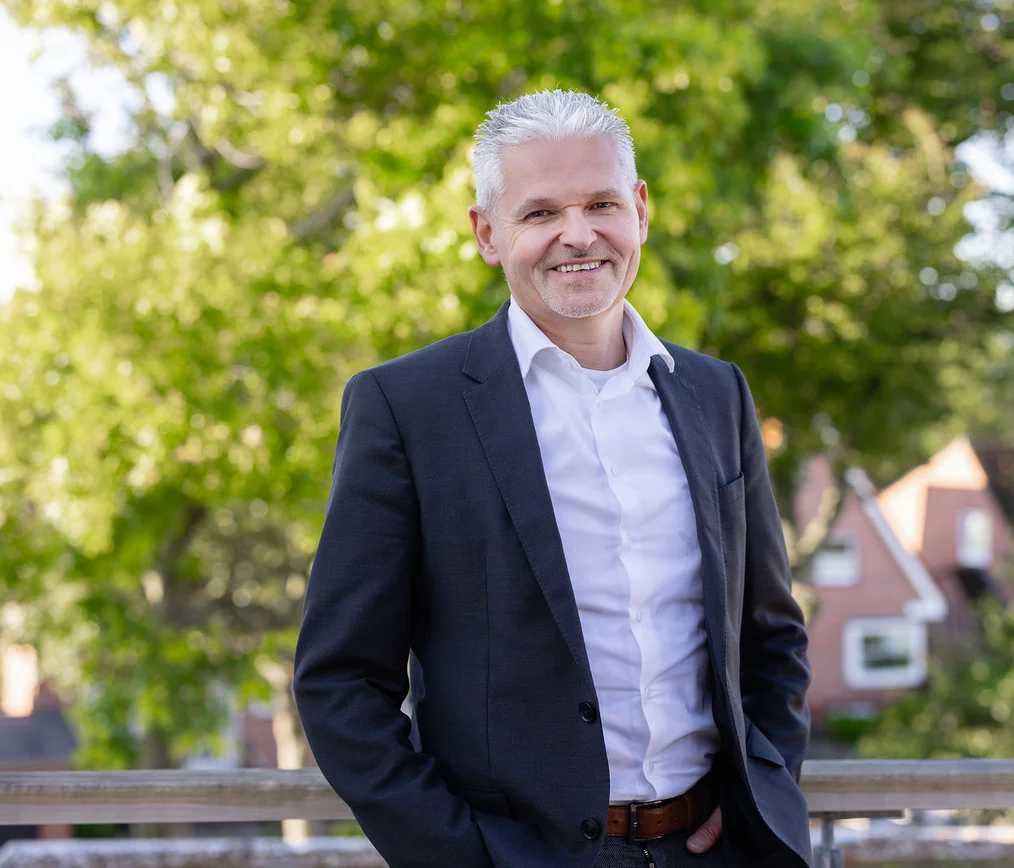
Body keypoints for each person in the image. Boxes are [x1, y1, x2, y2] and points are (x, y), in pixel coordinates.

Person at [294, 89, 812, 868]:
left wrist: (757, 800)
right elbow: (340, 682)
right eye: (539, 214)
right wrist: (463, 855)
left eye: (601, 203)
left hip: (716, 849)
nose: (579, 235)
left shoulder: (716, 395)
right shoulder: (406, 408)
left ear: (641, 209)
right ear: (487, 234)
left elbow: (770, 637)